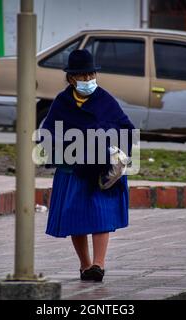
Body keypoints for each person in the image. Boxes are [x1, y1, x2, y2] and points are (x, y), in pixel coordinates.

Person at [40, 49, 135, 282]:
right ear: (71, 78)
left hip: (101, 171)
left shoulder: (105, 99)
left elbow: (126, 129)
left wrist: (107, 150)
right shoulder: (62, 103)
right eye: (82, 76)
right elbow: (47, 134)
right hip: (74, 172)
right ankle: (85, 265)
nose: (87, 80)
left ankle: (98, 265)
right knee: (77, 219)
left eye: (91, 74)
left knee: (101, 216)